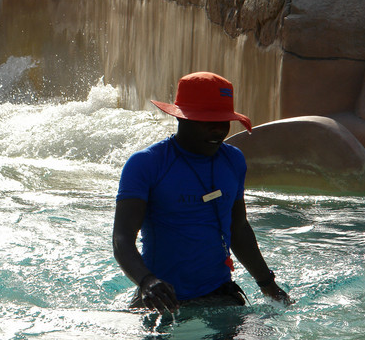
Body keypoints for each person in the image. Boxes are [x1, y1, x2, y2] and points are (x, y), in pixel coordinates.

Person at [112, 71, 291, 312]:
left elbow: (238, 229)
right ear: (182, 118)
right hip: (162, 299)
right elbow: (121, 238)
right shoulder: (146, 164)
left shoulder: (233, 160)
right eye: (208, 122)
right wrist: (146, 281)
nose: (218, 131)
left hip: (220, 294)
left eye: (223, 121)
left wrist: (268, 284)